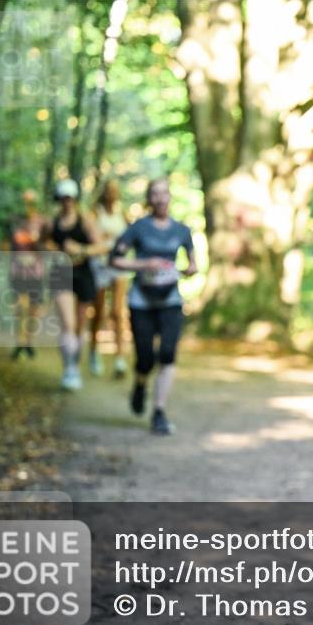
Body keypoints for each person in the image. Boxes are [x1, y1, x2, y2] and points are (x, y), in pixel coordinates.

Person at [110, 177, 197, 435]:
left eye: (164, 193)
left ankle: (159, 411)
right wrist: (143, 265)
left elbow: (194, 265)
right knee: (146, 358)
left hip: (170, 299)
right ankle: (139, 384)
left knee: (168, 354)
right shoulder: (138, 228)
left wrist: (186, 270)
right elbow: (115, 259)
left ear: (170, 197)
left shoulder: (182, 230)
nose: (160, 198)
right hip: (141, 301)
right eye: (155, 194)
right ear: (149, 199)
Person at [44, 178, 107, 391]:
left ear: (75, 199)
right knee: (68, 324)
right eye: (63, 199)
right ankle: (69, 368)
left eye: (70, 198)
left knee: (80, 327)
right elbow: (42, 243)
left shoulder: (86, 221)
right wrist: (52, 249)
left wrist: (80, 249)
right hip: (61, 274)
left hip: (84, 275)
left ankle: (75, 365)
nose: (67, 202)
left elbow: (101, 247)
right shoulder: (52, 223)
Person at [88, 180, 131, 378]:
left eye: (114, 191)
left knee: (118, 311)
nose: (111, 194)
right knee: (99, 312)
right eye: (108, 191)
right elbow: (92, 236)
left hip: (119, 266)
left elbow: (131, 236)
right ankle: (94, 351)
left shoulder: (123, 213)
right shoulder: (96, 213)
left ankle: (120, 358)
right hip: (100, 266)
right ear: (103, 193)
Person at [4, 190, 47, 360]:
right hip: (17, 272)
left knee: (33, 310)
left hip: (36, 273)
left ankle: (29, 343)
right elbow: (5, 246)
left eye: (31, 202)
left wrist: (37, 243)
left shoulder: (42, 222)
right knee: (19, 309)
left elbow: (48, 246)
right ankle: (19, 343)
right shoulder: (14, 223)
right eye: (25, 202)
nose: (27, 206)